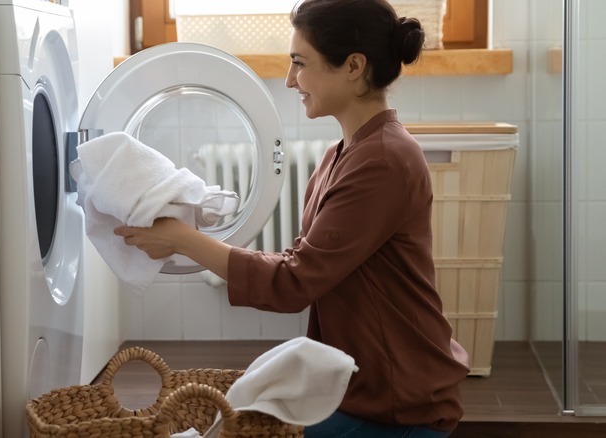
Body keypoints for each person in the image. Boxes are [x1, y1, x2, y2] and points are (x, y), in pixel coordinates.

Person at [114, 0, 470, 436]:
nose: (289, 80)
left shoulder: (384, 161)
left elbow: (294, 282)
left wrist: (183, 239)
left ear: (354, 66)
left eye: (300, 63)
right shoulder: (342, 155)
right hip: (368, 380)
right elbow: (305, 265)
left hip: (397, 399)